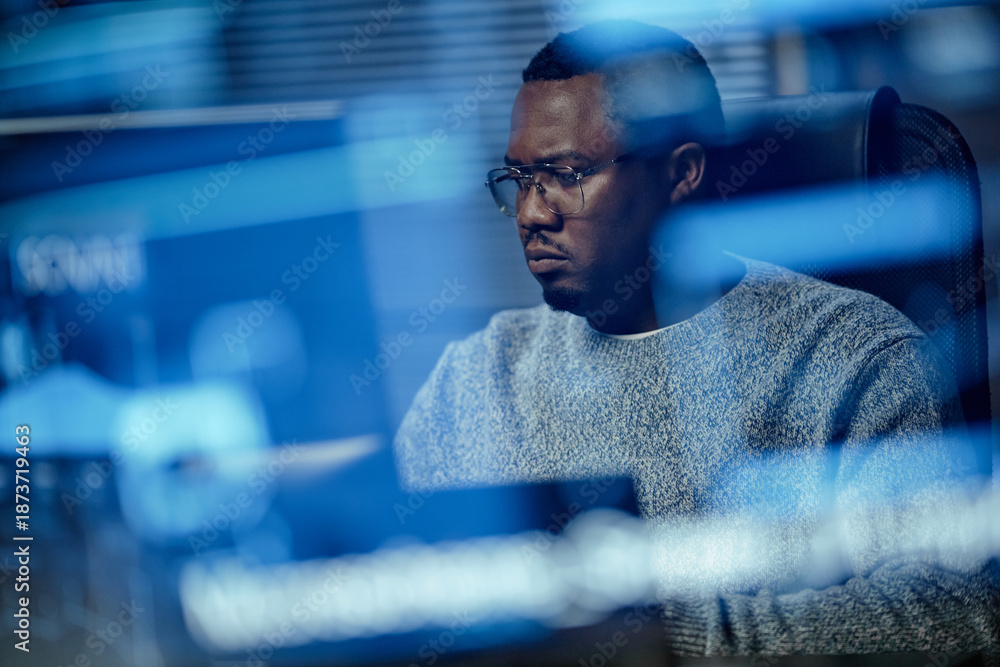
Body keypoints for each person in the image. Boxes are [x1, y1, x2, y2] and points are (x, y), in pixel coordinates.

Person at [393, 19, 999, 656]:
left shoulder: (851, 355)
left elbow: (949, 617)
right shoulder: (479, 374)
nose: (531, 214)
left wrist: (656, 636)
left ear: (681, 172)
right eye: (519, 179)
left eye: (567, 174)